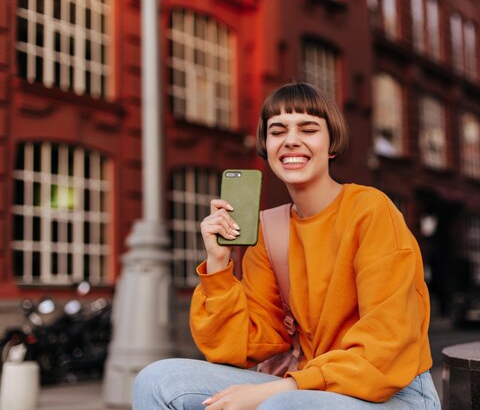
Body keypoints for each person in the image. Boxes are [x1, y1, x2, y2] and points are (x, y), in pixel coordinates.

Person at [132, 82, 441, 410]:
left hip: (393, 391)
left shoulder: (370, 211)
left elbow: (388, 344)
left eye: (308, 129)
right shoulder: (271, 231)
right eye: (277, 130)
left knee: (282, 406)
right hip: (311, 386)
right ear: (266, 145)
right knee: (157, 379)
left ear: (331, 144)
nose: (291, 140)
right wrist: (219, 264)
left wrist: (278, 390)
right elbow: (241, 346)